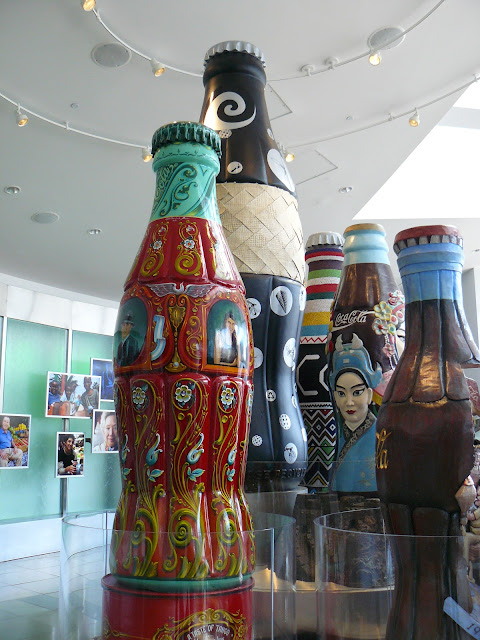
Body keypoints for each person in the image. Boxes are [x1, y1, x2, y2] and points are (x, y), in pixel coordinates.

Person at [329, 334, 383, 493]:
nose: (349, 402)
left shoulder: (380, 436)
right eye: (341, 393)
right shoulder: (337, 434)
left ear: (369, 394)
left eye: (357, 392)